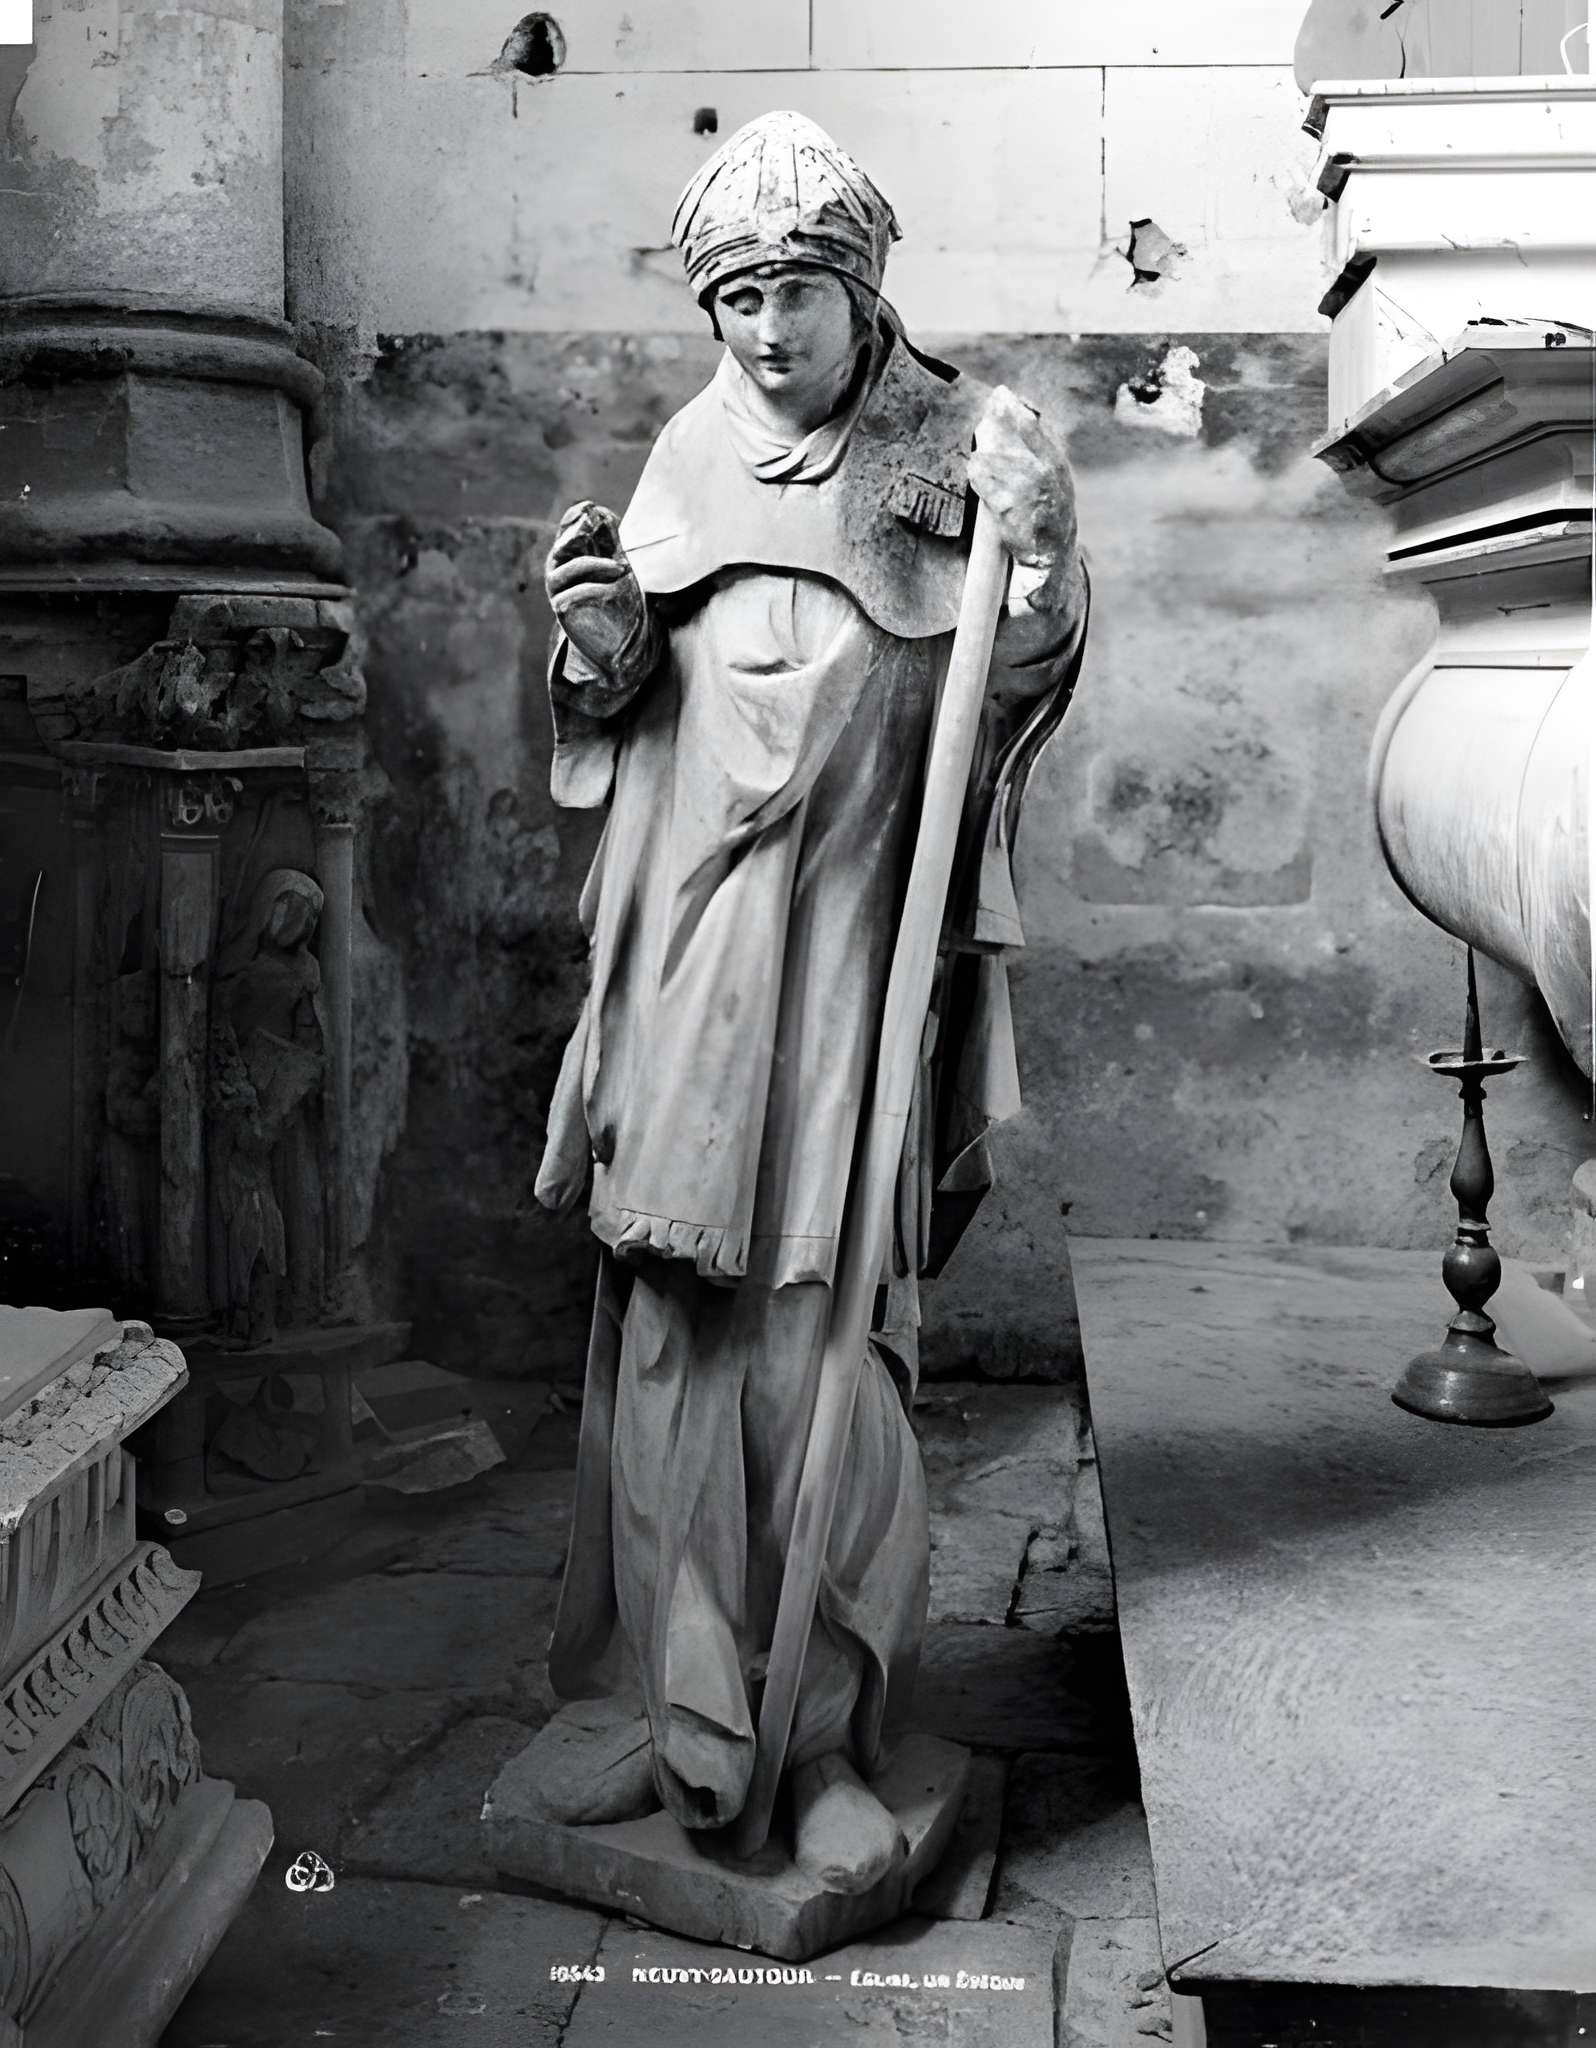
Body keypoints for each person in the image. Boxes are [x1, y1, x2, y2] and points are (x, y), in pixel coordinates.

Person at [526, 110, 1088, 1893]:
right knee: (675, 1319)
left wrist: (1050, 563)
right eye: (736, 300)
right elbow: (623, 718)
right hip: (690, 954)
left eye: (797, 295)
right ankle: (665, 1701)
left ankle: (825, 1733)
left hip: (852, 962)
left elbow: (1025, 675)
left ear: (863, 293)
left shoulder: (952, 457)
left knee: (820, 1338)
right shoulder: (685, 458)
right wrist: (602, 641)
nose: (766, 335)